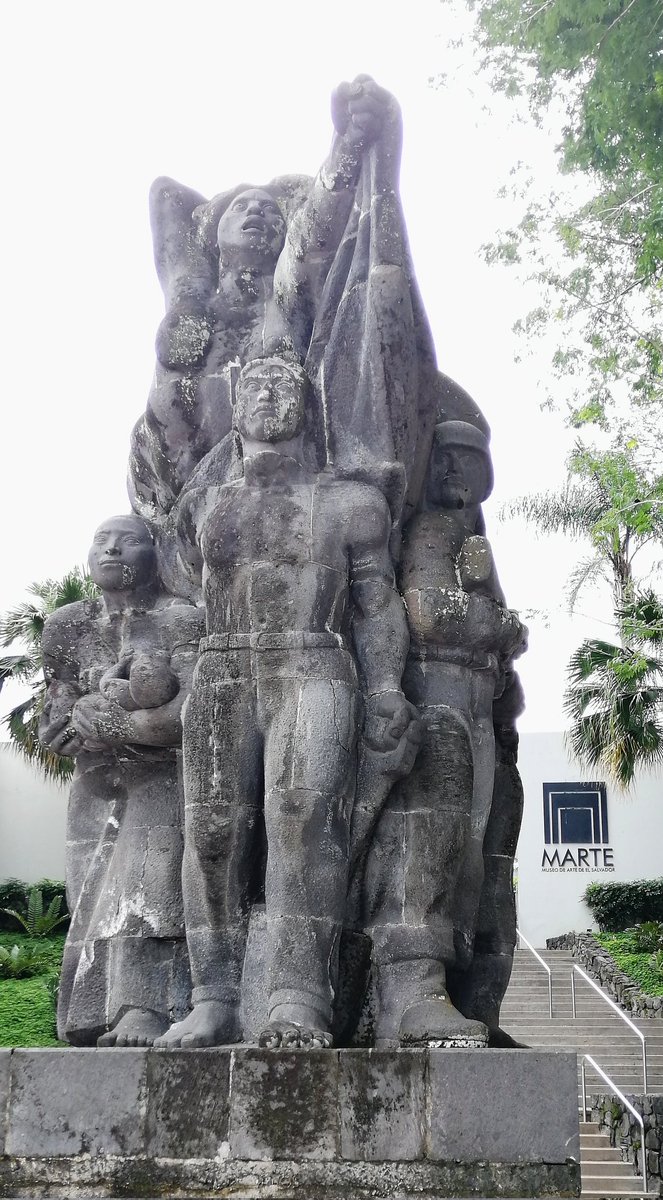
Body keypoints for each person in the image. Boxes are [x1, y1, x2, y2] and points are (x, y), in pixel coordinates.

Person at [156, 355, 418, 1049]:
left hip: (312, 661)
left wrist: (387, 686)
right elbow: (182, 602)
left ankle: (298, 996)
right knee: (211, 834)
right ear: (235, 405)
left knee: (302, 822)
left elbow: (375, 604)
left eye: (284, 386)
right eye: (254, 386)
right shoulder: (206, 503)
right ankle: (212, 996)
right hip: (222, 668)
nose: (269, 395)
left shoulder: (351, 502)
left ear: (308, 407)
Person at [129, 76, 393, 521]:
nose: (255, 212)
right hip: (169, 501)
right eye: (240, 207)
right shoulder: (191, 302)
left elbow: (314, 236)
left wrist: (347, 146)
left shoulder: (286, 299)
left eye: (270, 209)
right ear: (212, 237)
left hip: (268, 499)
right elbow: (165, 193)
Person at [361, 420, 526, 1047]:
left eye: (469, 461)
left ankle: (476, 1001)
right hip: (437, 700)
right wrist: (498, 624)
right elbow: (429, 614)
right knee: (431, 846)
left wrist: (498, 627)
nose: (456, 474)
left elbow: (505, 636)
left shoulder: (468, 535)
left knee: (478, 862)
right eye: (445, 461)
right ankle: (412, 986)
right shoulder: (433, 530)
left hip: (478, 706)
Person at [39, 514, 204, 1046]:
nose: (111, 550)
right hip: (95, 784)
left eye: (129, 541)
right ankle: (96, 1012)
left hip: (161, 776)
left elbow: (194, 712)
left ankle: (145, 1007)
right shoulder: (67, 624)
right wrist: (73, 722)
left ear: (156, 557)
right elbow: (53, 717)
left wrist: (120, 719)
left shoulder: (178, 617)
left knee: (147, 888)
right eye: (101, 541)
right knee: (93, 900)